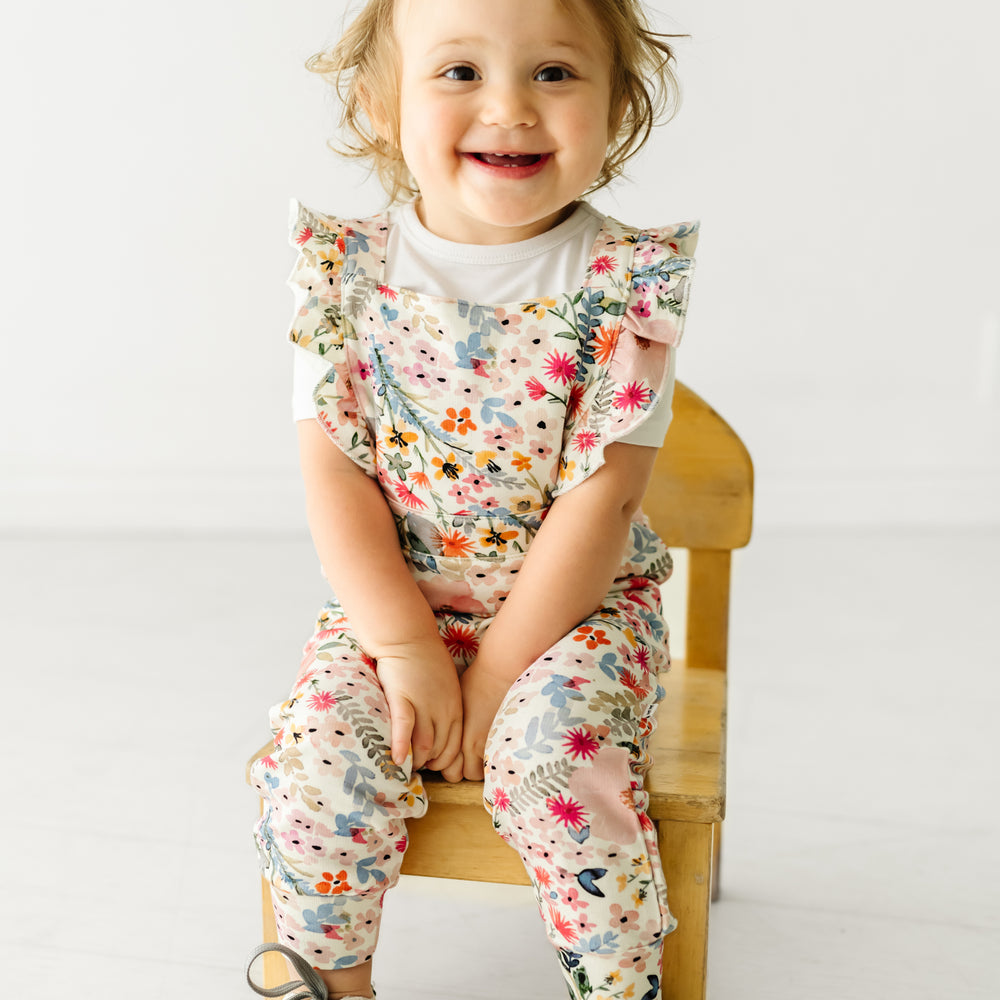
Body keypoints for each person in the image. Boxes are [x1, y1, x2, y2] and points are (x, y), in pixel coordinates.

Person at [246, 1, 698, 998]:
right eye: (458, 73)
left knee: (561, 765)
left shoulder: (624, 283)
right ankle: (333, 981)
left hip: (569, 620)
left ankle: (620, 982)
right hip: (392, 608)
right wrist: (406, 648)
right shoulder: (345, 274)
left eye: (554, 74)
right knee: (318, 759)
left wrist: (494, 678)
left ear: (618, 103)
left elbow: (602, 504)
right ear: (379, 101)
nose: (509, 106)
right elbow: (335, 475)